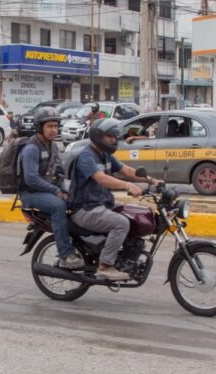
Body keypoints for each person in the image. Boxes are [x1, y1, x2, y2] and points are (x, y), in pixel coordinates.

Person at [69, 119, 161, 281]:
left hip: (102, 205)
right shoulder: (86, 157)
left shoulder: (105, 155)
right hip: (85, 209)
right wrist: (127, 186)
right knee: (121, 223)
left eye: (114, 136)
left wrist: (152, 180)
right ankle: (105, 265)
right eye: (109, 137)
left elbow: (127, 170)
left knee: (133, 215)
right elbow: (102, 179)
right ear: (98, 137)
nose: (114, 140)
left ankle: (125, 256)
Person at [18, 107, 83, 270]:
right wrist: (56, 192)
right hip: (30, 193)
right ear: (40, 127)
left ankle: (83, 246)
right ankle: (65, 255)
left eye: (55, 126)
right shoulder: (32, 148)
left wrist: (65, 190)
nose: (53, 130)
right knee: (58, 205)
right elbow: (31, 179)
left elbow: (59, 172)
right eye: (49, 126)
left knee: (79, 200)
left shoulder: (53, 146)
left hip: (47, 190)